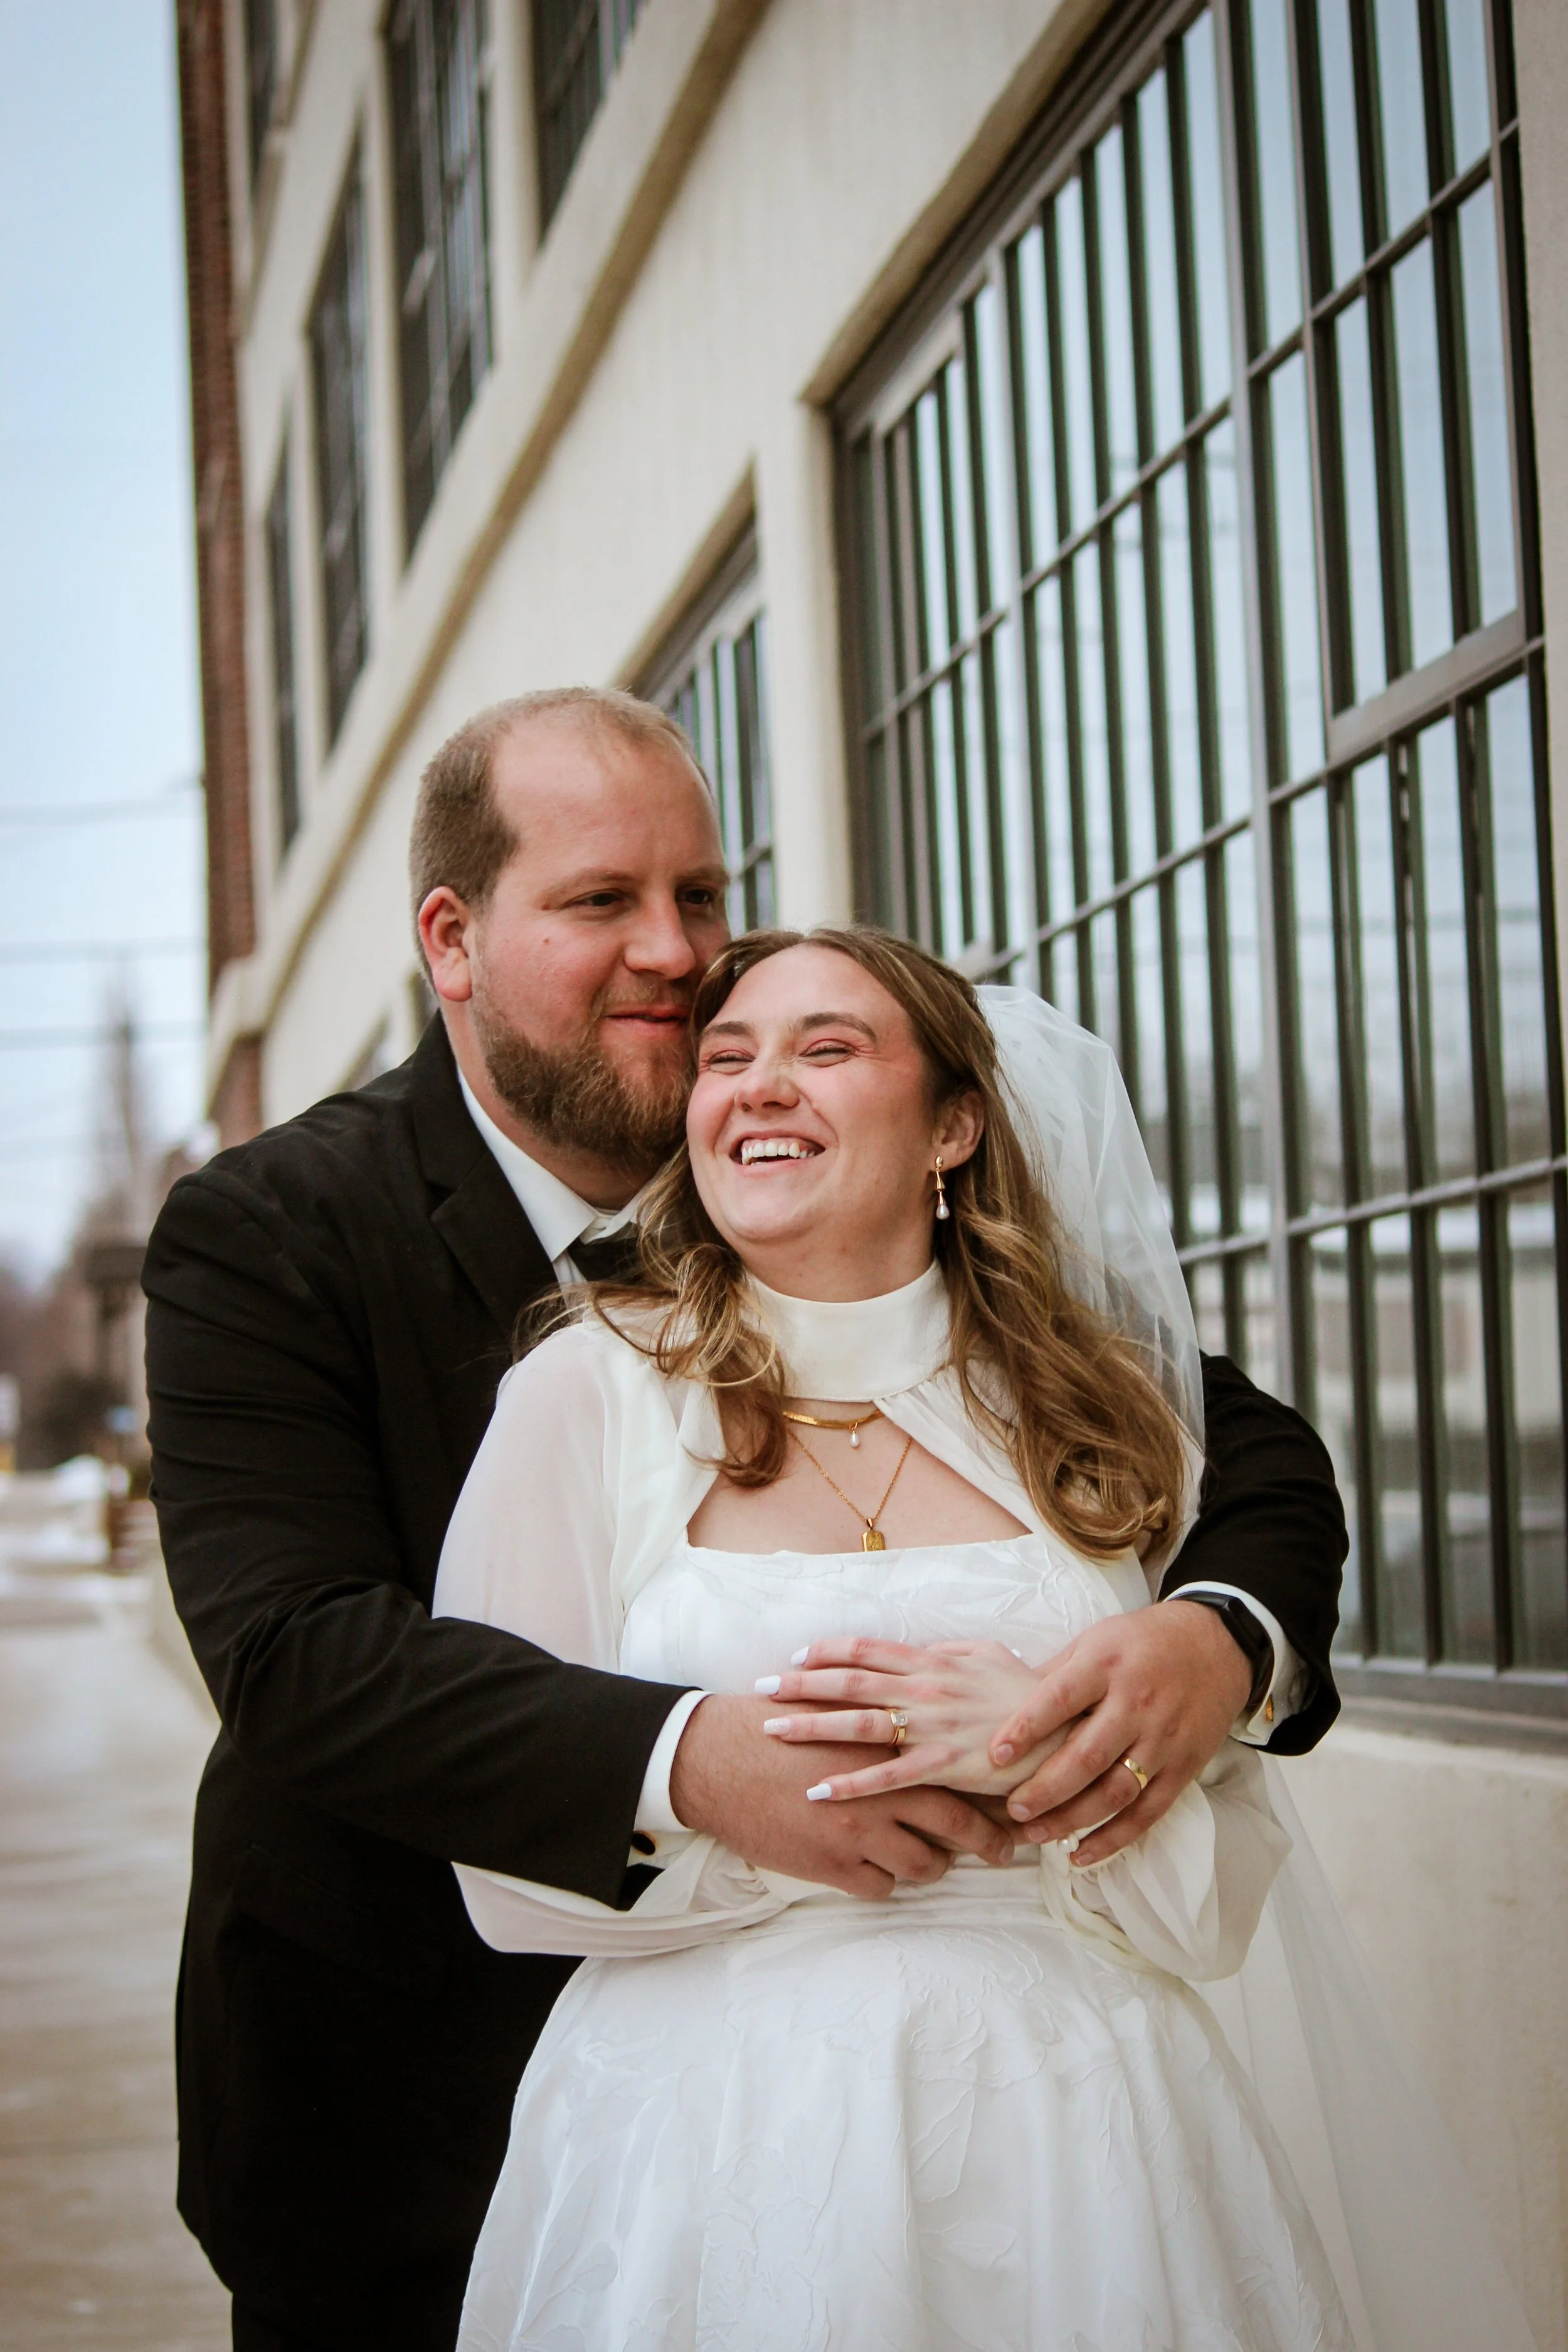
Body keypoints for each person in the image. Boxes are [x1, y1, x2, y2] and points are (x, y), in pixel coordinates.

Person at [143, 689, 1345, 2352]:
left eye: (699, 895)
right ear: (452, 938)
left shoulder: (812, 1199)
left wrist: (1221, 1635)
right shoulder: (271, 1227)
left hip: (988, 2130)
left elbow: (1226, 1434)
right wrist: (692, 1757)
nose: (676, 951)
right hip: (406, 2078)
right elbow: (298, 1650)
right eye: (600, 901)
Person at [437, 928, 1539, 2352]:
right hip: (707, 2139)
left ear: (952, 1124)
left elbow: (1208, 1837)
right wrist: (795, 1816)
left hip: (1089, 2130)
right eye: (725, 1058)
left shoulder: (1090, 1408)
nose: (759, 1086)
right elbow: (499, 1849)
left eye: (826, 1049)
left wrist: (1064, 1744)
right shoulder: (583, 1399)